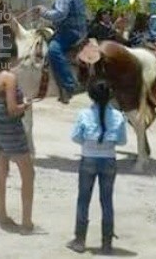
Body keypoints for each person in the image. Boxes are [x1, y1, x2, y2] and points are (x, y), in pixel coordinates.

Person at [67, 79, 127, 255]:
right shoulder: (118, 116)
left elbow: (76, 137)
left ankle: (79, 240)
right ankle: (107, 243)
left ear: (90, 95)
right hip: (109, 159)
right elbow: (122, 141)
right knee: (106, 201)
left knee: (83, 200)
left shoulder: (83, 114)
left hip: (88, 158)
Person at [0, 24, 34, 234]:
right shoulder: (9, 77)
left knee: (1, 170)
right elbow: (13, 109)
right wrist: (27, 105)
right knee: (28, 174)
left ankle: (2, 214)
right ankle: (26, 221)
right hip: (10, 128)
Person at [39, 0, 87, 104]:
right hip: (80, 29)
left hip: (70, 31)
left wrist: (44, 13)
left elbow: (60, 14)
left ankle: (69, 84)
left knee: (54, 49)